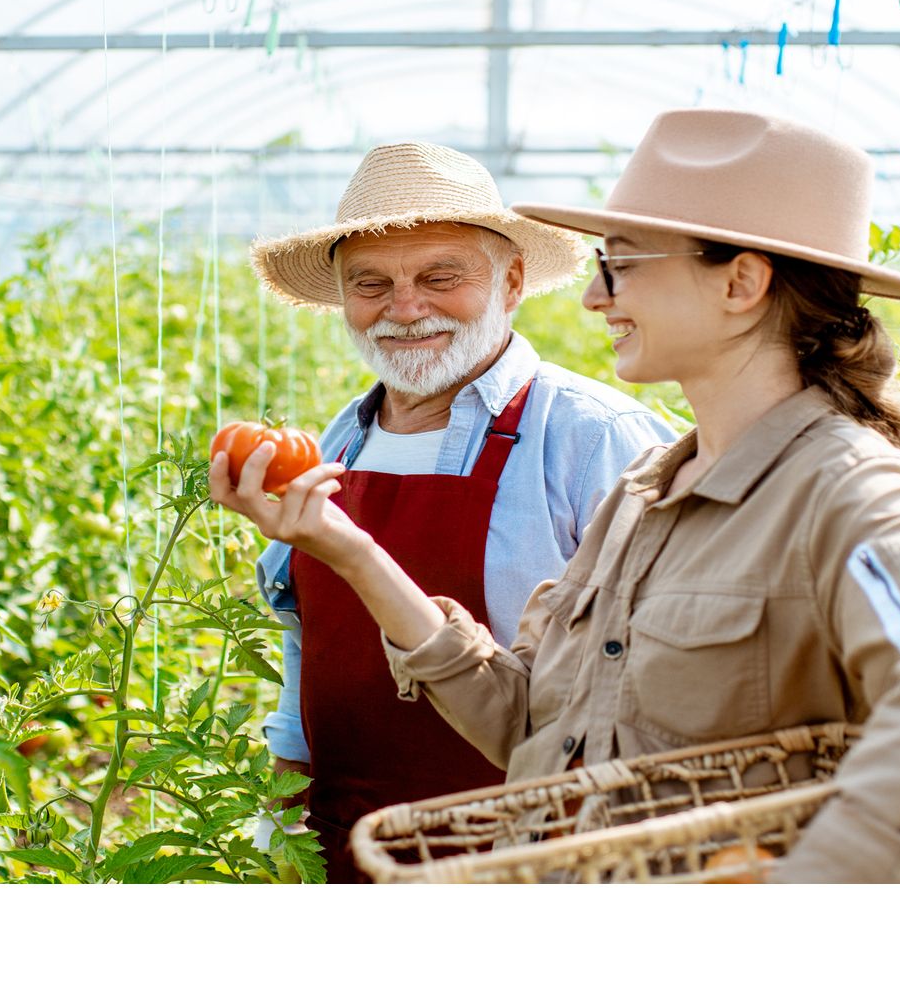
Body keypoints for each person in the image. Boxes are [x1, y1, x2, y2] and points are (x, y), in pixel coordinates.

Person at [216, 110, 900, 883]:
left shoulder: (840, 492)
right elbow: (537, 733)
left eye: (621, 267)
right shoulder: (648, 493)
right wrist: (350, 549)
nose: (593, 298)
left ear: (741, 284)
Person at [245, 141, 674, 882]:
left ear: (510, 282)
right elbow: (301, 632)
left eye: (441, 277)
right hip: (343, 843)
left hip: (530, 854)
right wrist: (285, 796)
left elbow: (657, 679)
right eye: (370, 284)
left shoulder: (590, 436)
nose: (404, 309)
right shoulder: (341, 438)